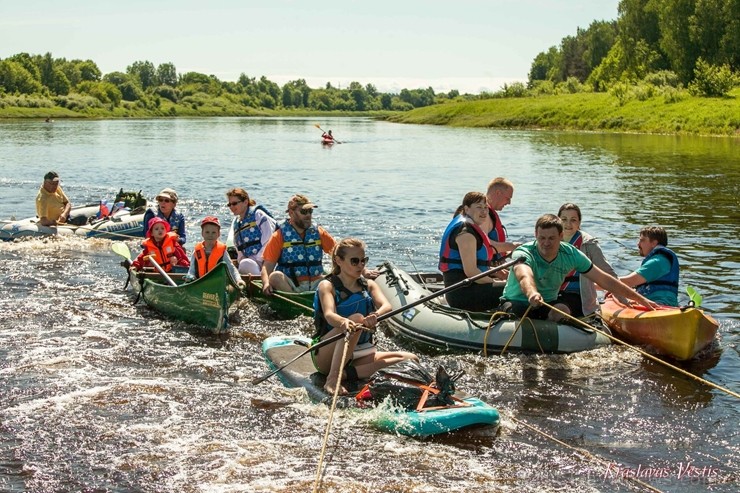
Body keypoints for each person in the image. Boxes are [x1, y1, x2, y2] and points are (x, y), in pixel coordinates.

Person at [500, 214, 657, 321]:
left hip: (547, 303)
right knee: (519, 313)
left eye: (551, 238)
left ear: (561, 237)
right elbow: (524, 275)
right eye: (542, 238)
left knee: (563, 310)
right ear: (536, 235)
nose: (546, 243)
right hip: (518, 301)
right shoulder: (525, 252)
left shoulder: (571, 254)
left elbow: (604, 279)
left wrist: (640, 299)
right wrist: (532, 293)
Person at [312, 238, 418, 394]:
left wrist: (375, 315)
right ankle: (333, 379)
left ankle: (346, 374)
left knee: (411, 359)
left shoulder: (368, 284)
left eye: (363, 260)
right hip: (327, 354)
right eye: (354, 261)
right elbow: (329, 315)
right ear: (338, 260)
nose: (361, 265)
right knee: (356, 319)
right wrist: (345, 322)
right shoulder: (327, 286)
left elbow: (386, 306)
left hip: (358, 353)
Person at [438, 191, 503, 311]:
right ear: (466, 209)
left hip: (471, 287)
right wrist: (494, 282)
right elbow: (471, 272)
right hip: (463, 294)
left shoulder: (470, 226)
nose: (484, 211)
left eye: (485, 207)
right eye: (479, 207)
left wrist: (495, 271)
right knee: (514, 289)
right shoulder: (466, 233)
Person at [557, 203, 619, 316]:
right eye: (564, 219)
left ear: (579, 223)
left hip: (579, 297)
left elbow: (608, 272)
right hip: (553, 294)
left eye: (573, 220)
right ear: (558, 221)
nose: (568, 224)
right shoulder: (550, 241)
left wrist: (622, 299)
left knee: (560, 310)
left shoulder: (589, 244)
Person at [619, 226, 679, 307]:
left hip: (660, 305)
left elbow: (629, 281)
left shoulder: (657, 262)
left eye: (642, 240)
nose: (638, 244)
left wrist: (599, 283)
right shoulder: (661, 259)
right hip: (662, 303)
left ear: (654, 243)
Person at [184, 216, 245, 289]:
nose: (210, 235)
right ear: (202, 233)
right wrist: (190, 277)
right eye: (207, 232)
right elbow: (191, 270)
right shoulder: (197, 251)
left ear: (218, 234)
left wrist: (238, 279)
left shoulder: (222, 251)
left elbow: (231, 268)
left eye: (213, 232)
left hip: (218, 285)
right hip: (200, 284)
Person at [226, 188, 277, 275]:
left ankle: (261, 280)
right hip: (248, 263)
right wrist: (241, 259)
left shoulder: (258, 215)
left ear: (245, 202)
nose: (231, 207)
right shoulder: (236, 223)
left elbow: (269, 239)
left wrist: (257, 259)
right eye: (229, 204)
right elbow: (238, 248)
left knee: (246, 264)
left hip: (266, 261)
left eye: (234, 203)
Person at [484, 177, 521, 276]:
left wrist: (510, 250)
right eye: (508, 198)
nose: (509, 203)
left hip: (495, 266)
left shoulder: (489, 213)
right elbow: (483, 246)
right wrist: (512, 246)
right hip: (486, 270)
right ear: (498, 193)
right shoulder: (483, 214)